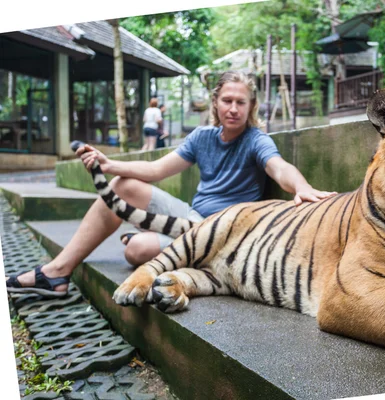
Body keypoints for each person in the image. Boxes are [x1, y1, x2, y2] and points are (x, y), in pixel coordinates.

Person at [6, 71, 336, 298]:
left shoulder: (256, 140)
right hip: (190, 215)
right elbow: (154, 169)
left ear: (251, 107)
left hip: (220, 234)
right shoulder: (202, 136)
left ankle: (146, 236)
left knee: (137, 250)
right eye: (227, 100)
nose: (233, 108)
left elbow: (278, 167)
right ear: (215, 103)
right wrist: (108, 163)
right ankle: (58, 271)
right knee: (124, 184)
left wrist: (301, 187)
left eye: (241, 102)